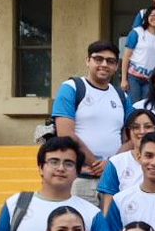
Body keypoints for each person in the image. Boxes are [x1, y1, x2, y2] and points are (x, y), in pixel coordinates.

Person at [0, 136, 117, 231]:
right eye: (54, 162)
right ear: (40, 168)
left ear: (77, 171)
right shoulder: (15, 204)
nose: (61, 168)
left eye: (68, 163)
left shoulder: (92, 213)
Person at [52, 40, 129, 199]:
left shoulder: (122, 96)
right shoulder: (72, 88)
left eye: (110, 61)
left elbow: (132, 138)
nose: (104, 64)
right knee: (78, 223)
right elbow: (65, 133)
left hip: (114, 180)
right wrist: (96, 164)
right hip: (80, 178)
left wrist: (111, 164)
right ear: (88, 61)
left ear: (116, 66)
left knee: (111, 224)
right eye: (98, 59)